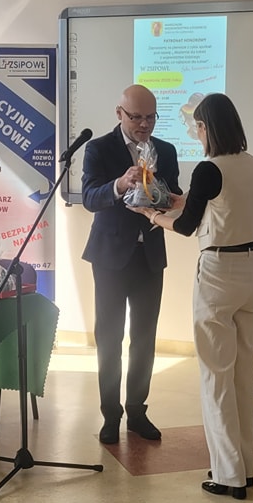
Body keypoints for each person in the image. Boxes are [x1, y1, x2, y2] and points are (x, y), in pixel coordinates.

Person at [131, 93, 253, 500]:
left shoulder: (209, 168)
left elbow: (188, 226)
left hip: (219, 276)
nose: (197, 133)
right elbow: (222, 206)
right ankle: (244, 466)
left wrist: (153, 214)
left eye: (198, 127)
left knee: (216, 377)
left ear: (207, 128)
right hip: (252, 273)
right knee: (243, 375)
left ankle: (228, 476)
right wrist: (181, 200)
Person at [81, 85, 180, 445]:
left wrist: (159, 197)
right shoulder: (98, 148)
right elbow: (89, 197)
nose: (144, 124)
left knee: (144, 338)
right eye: (136, 117)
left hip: (149, 256)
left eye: (151, 117)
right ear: (119, 113)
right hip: (110, 257)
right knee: (109, 338)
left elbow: (172, 197)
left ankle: (137, 411)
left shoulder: (165, 151)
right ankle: (111, 414)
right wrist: (121, 185)